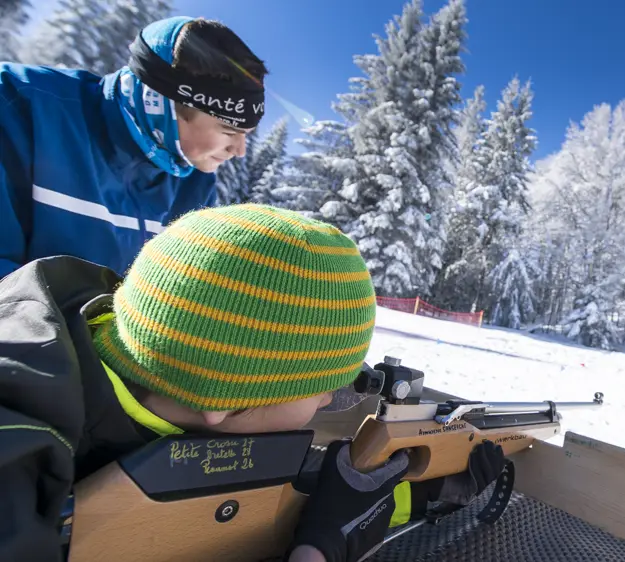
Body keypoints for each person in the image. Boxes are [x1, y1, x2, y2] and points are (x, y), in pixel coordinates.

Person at [0, 204, 505, 562]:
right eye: (321, 387)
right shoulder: (14, 463)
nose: (334, 397)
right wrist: (318, 550)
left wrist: (414, 494)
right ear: (222, 400)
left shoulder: (124, 355)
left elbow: (247, 500)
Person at [0, 16, 265, 278]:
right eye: (229, 130)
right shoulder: (21, 107)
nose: (239, 150)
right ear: (164, 108)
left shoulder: (193, 183)